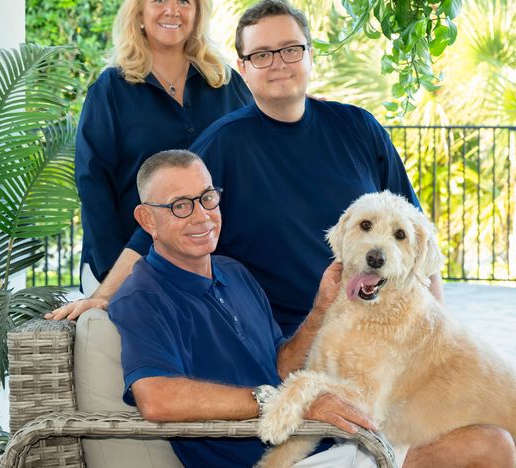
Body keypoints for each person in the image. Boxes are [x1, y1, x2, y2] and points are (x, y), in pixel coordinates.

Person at [53, 0, 516, 466]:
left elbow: (416, 236)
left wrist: (436, 333)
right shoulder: (224, 143)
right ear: (243, 67)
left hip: (367, 344)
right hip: (306, 361)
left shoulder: (358, 128)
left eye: (290, 49)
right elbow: (164, 224)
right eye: (262, 54)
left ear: (310, 55)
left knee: (496, 437)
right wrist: (106, 293)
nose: (277, 63)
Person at [109, 149, 380, 468]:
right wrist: (284, 403)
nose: (201, 216)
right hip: (269, 462)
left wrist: (321, 309)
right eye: (180, 206)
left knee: (442, 438)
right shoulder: (142, 295)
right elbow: (156, 398)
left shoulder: (235, 272)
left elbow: (279, 368)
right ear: (147, 220)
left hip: (317, 446)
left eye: (207, 197)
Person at [72, 0, 252, 301]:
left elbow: (253, 163)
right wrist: (118, 275)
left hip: (217, 267)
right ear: (140, 11)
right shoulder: (111, 89)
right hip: (130, 266)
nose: (173, 11)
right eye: (160, 0)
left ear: (198, 12)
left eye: (184, 0)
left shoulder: (226, 84)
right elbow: (93, 186)